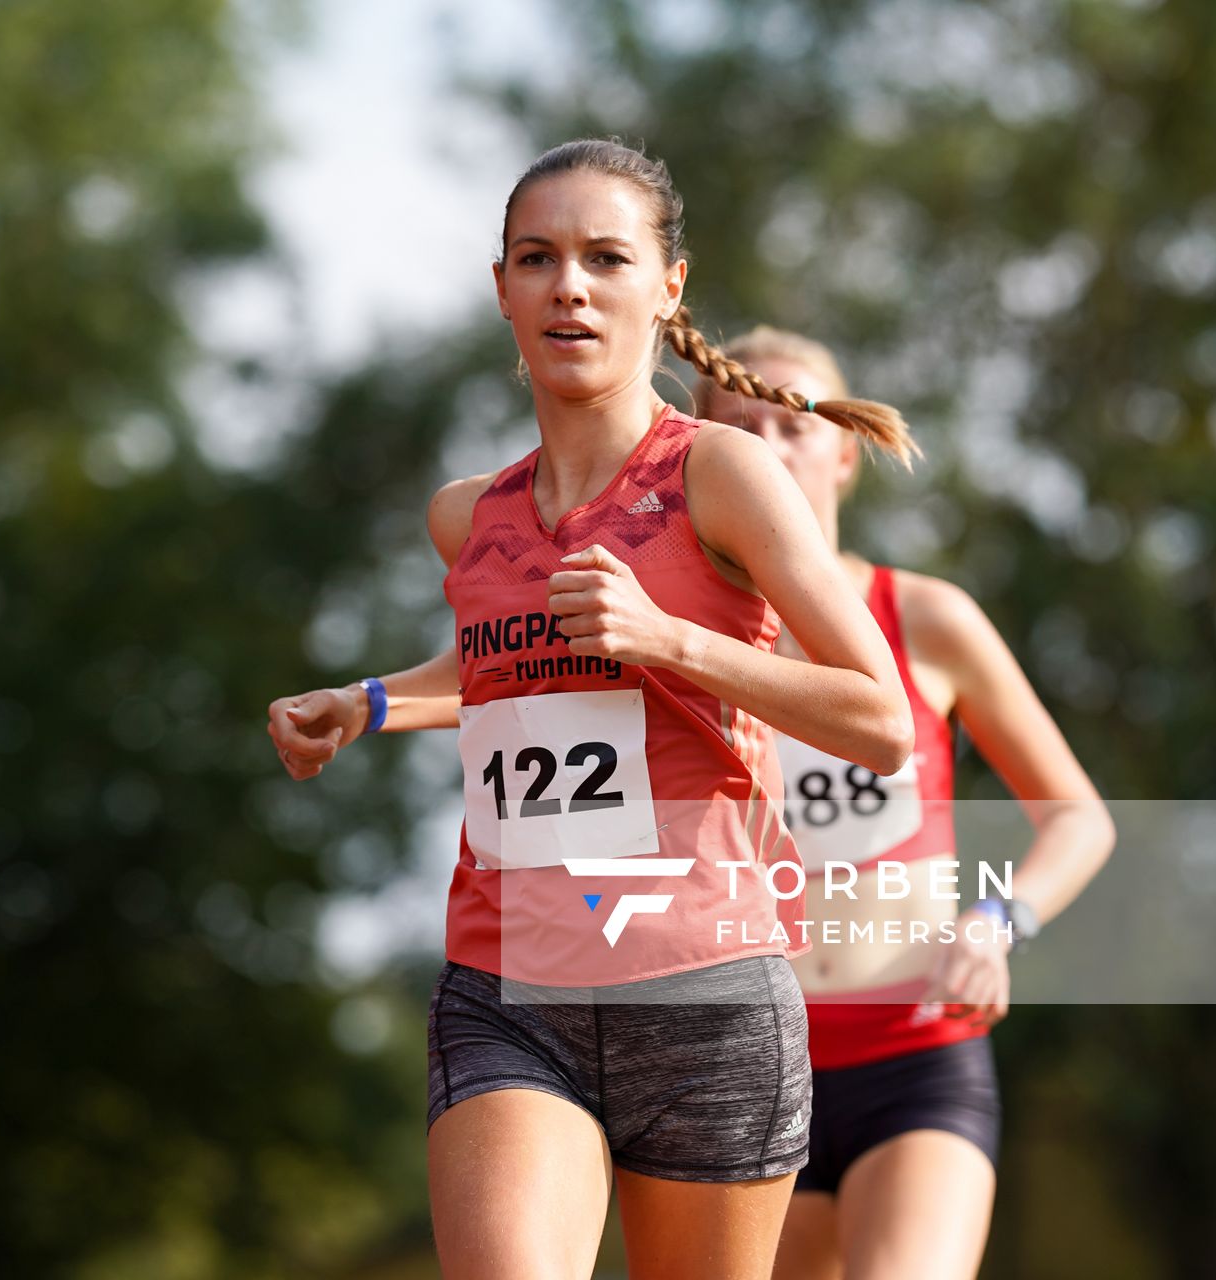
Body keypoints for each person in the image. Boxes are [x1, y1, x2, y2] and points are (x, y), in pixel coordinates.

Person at [266, 140, 920, 1280]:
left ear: (666, 288)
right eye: (540, 257)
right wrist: (367, 701)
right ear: (504, 289)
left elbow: (879, 718)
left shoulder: (722, 472)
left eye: (606, 257)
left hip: (705, 988)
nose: (570, 284)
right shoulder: (468, 517)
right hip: (509, 988)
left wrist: (667, 636)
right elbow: (501, 666)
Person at [696, 327, 1116, 1280]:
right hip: (746, 1068)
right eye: (740, 429)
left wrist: (1000, 919)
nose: (770, 447)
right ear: (702, 456)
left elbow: (1079, 817)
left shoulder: (924, 617)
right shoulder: (675, 638)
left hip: (916, 1053)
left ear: (845, 450)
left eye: (794, 421)